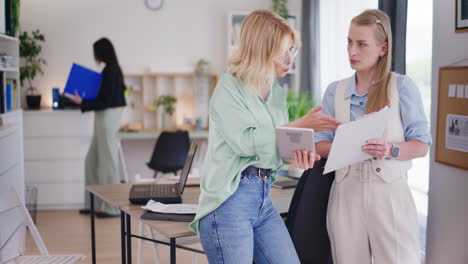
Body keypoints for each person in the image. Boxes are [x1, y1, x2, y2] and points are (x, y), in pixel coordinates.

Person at [189, 10, 341, 264]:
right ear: (263, 50)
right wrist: (300, 124)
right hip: (229, 201)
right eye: (283, 52)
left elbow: (275, 152)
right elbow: (245, 143)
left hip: (263, 198)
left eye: (292, 51)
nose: (289, 59)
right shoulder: (228, 88)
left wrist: (298, 155)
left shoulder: (277, 94)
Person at [315, 9, 432, 264]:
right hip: (345, 194)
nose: (352, 51)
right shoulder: (334, 91)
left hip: (389, 195)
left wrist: (391, 150)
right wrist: (343, 147)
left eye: (361, 44)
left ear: (383, 48)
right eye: (349, 42)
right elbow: (320, 144)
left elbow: (421, 145)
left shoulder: (402, 86)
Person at [68, 37, 127, 218]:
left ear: (101, 52)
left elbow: (105, 101)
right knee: (91, 162)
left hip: (107, 117)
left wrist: (82, 101)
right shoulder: (110, 70)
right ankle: (93, 203)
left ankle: (113, 208)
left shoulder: (110, 71)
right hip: (104, 117)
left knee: (108, 163)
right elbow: (105, 99)